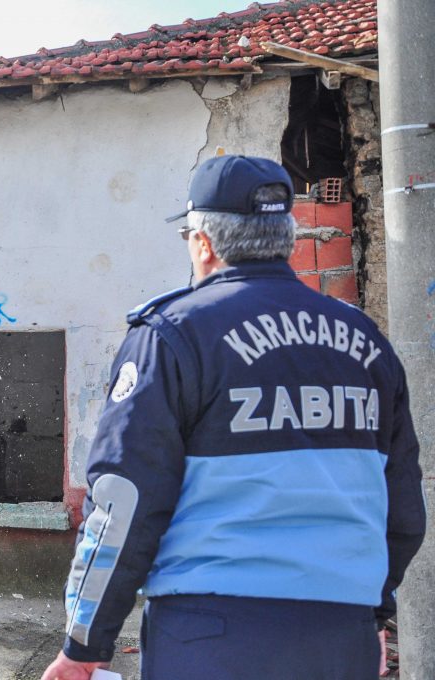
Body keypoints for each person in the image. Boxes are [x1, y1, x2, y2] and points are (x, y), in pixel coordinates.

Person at [41, 155, 426, 680]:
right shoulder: (367, 344)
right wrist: (371, 614)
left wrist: (85, 643)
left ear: (203, 242)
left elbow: (124, 502)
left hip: (211, 635)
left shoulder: (173, 337)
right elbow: (402, 507)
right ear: (287, 238)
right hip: (340, 637)